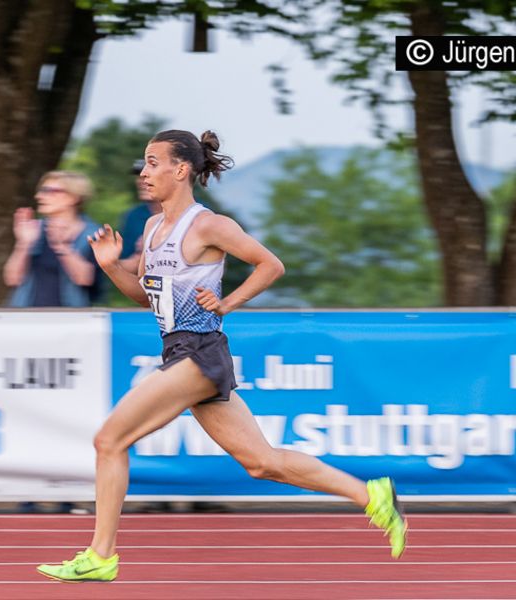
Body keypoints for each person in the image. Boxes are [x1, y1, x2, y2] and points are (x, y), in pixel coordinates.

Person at [36, 130, 407, 582]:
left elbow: (271, 265)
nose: (146, 173)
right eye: (145, 163)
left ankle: (101, 555)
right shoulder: (153, 229)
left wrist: (227, 303)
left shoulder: (208, 225)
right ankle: (372, 495)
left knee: (109, 441)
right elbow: (145, 298)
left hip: (199, 351)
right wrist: (113, 265)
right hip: (179, 351)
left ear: (181, 169)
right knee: (261, 462)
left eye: (154, 163)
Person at [3, 170, 103, 307]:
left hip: (71, 320)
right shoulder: (34, 229)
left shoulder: (94, 233)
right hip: (26, 317)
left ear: (73, 197)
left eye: (48, 191)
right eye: (41, 190)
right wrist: (23, 244)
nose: (39, 196)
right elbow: (12, 279)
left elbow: (85, 279)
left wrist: (62, 247)